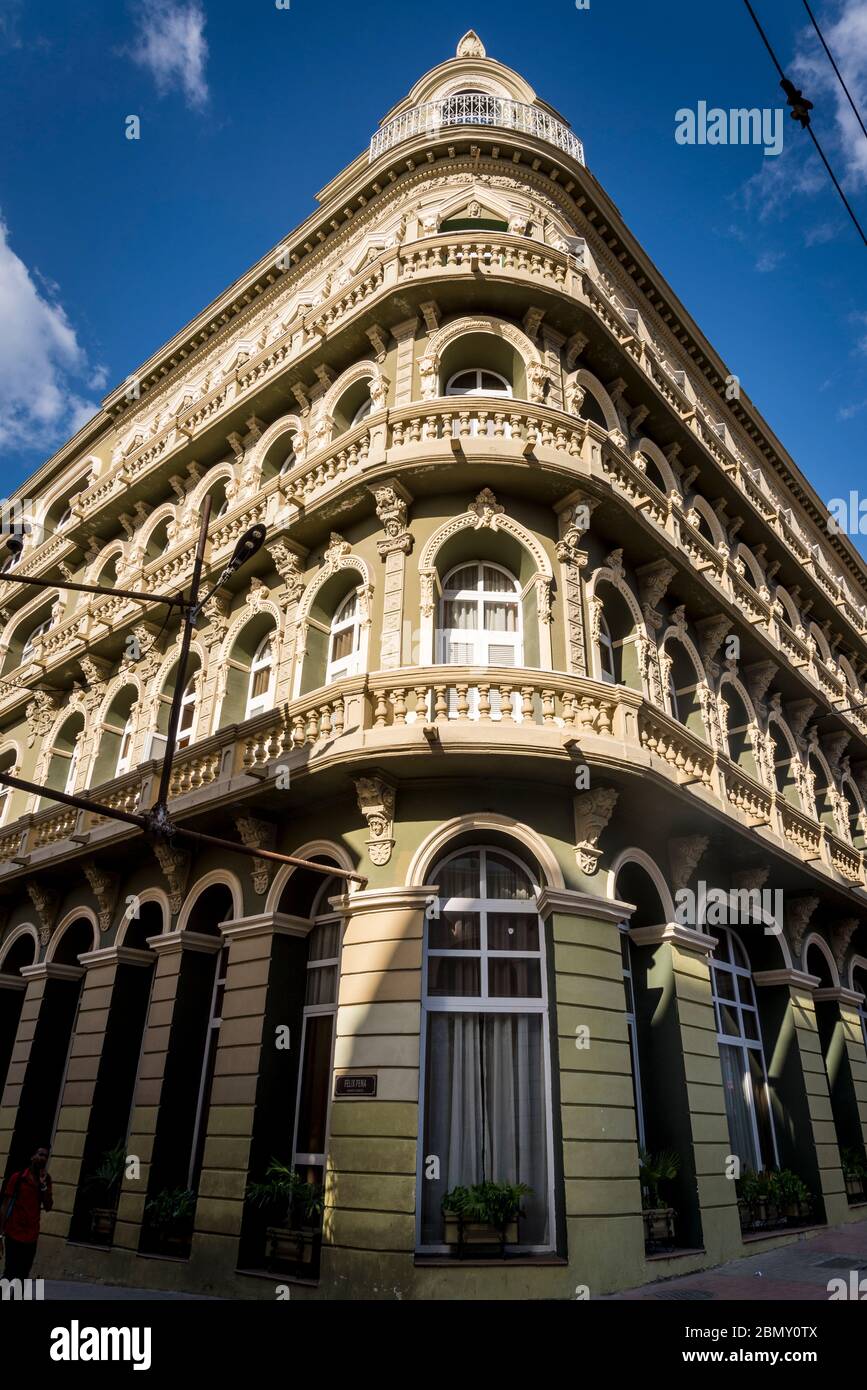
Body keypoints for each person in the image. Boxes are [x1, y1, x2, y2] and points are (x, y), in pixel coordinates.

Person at [1, 1146, 53, 1279]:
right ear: (32, 1157)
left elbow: (48, 1206)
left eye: (46, 1156)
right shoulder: (18, 1178)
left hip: (31, 1236)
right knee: (10, 1272)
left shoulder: (46, 1180)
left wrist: (43, 1186)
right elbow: (5, 1206)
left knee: (23, 1274)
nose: (43, 1158)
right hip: (14, 1233)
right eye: (40, 1154)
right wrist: (0, 1232)